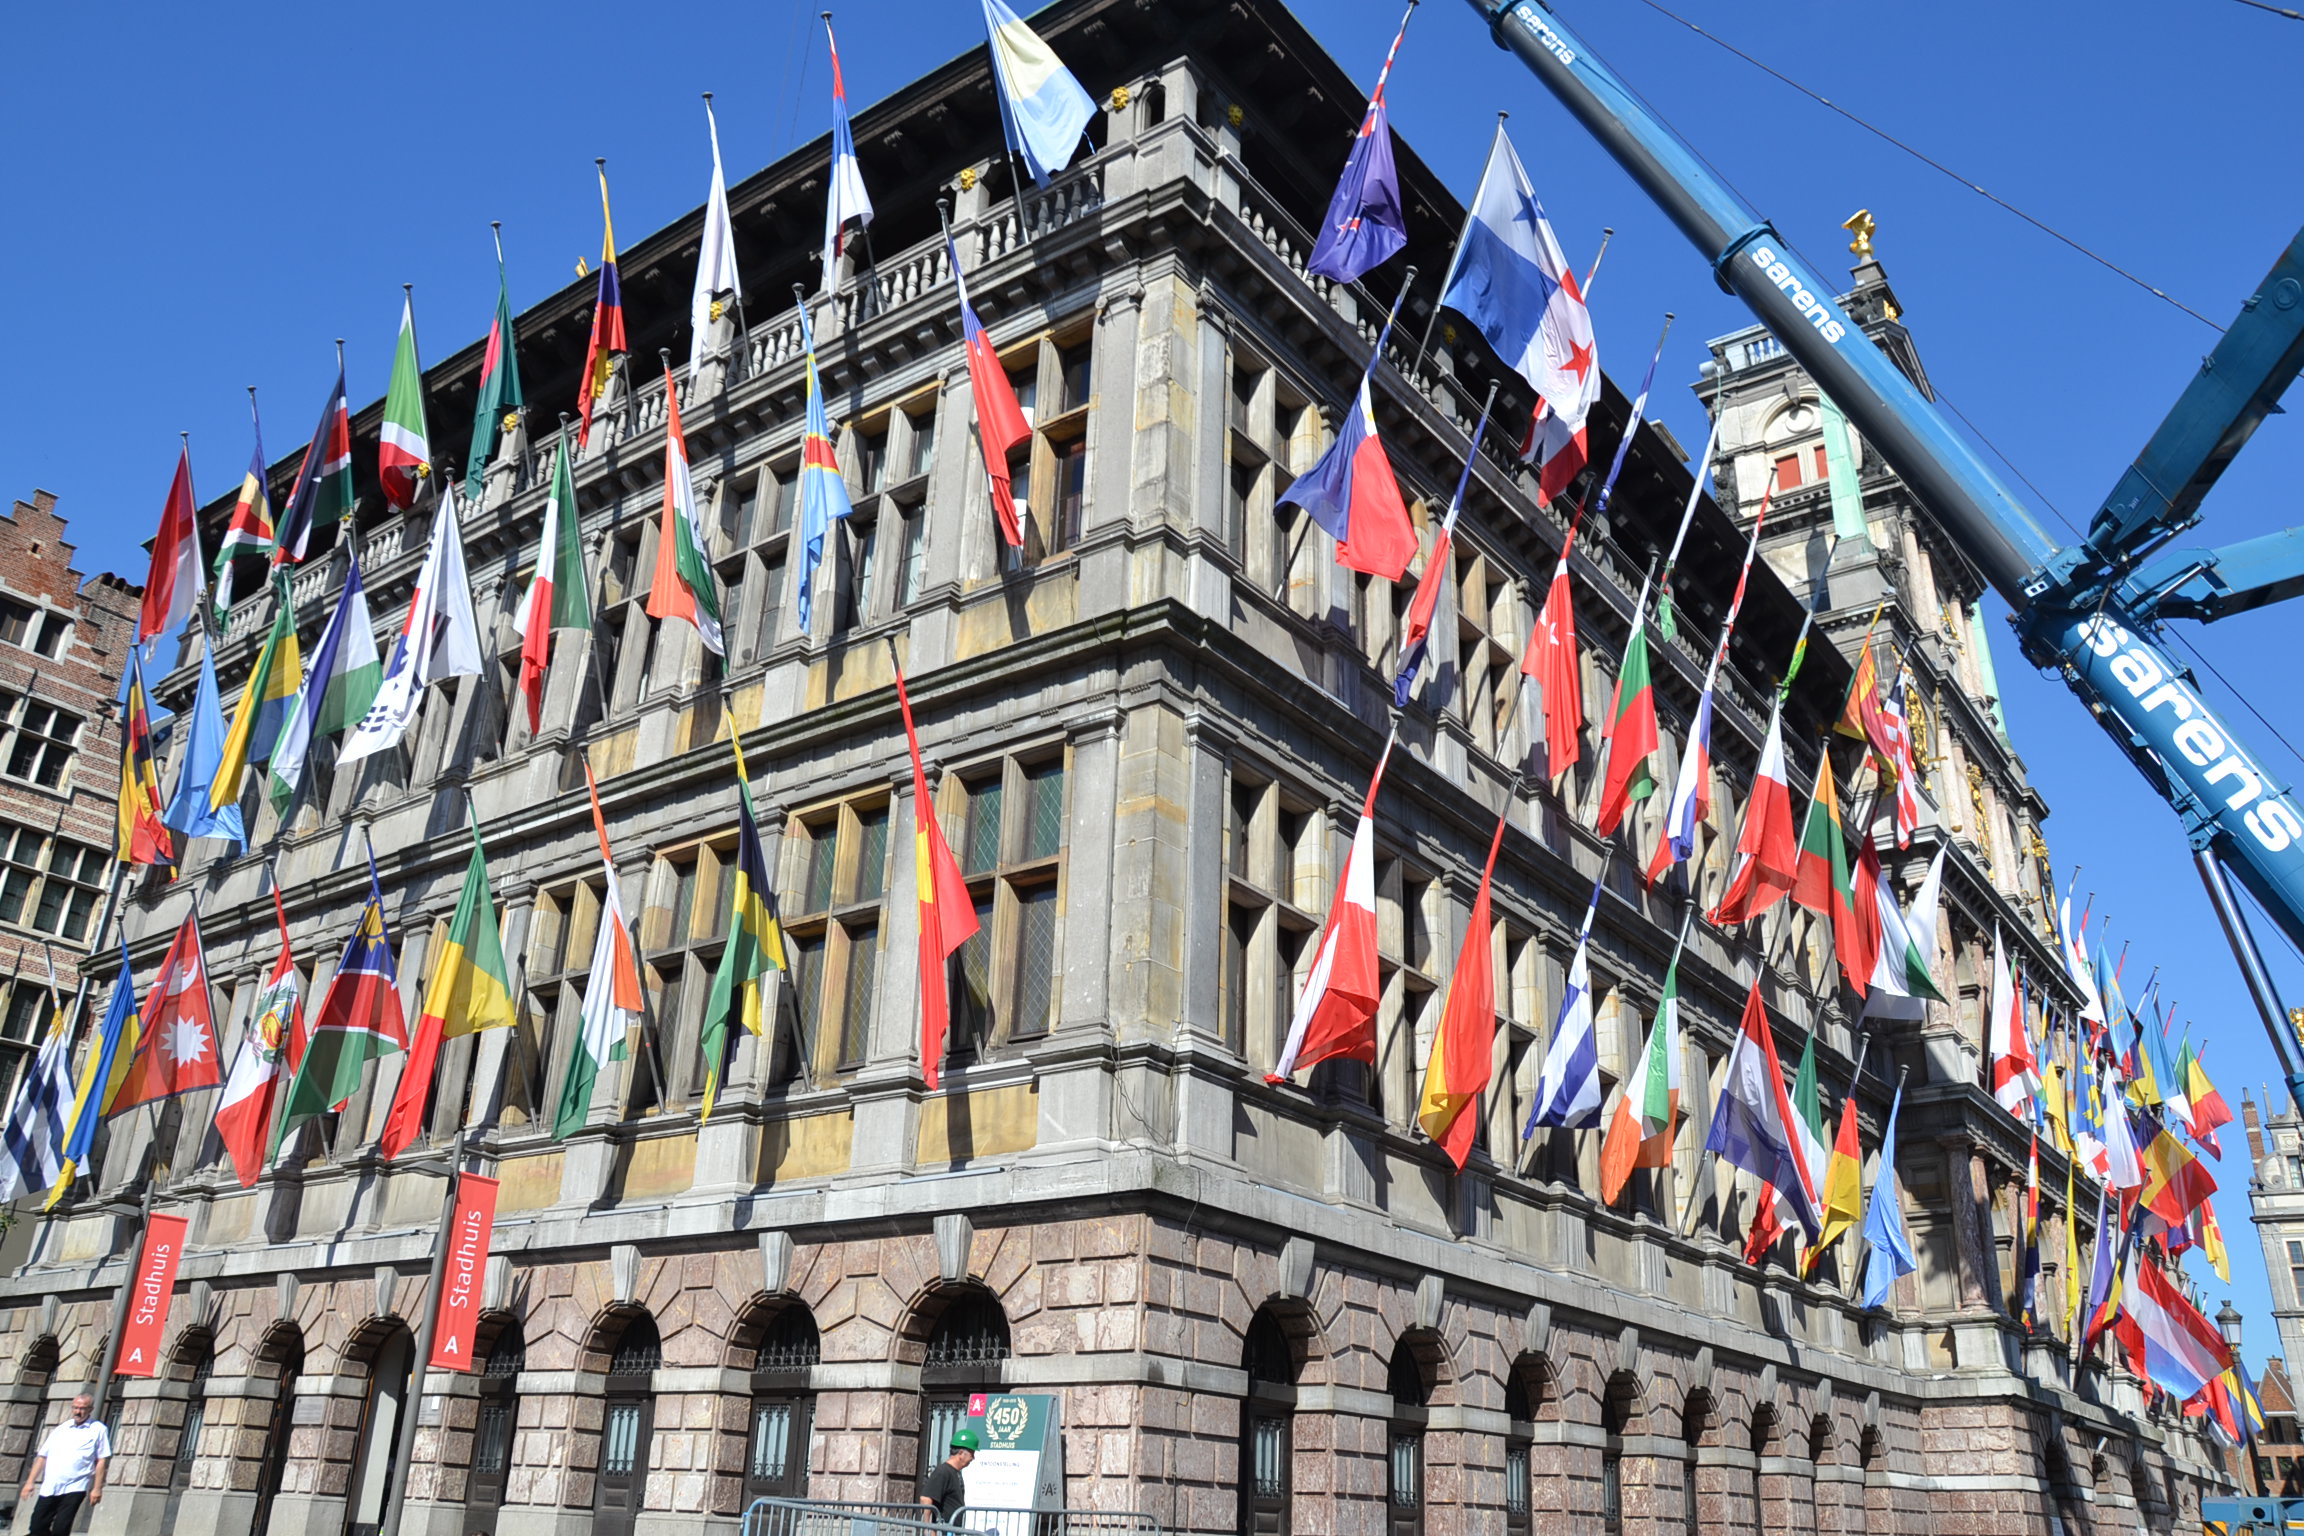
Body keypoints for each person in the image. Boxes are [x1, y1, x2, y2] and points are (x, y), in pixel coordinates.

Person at [19, 1394, 108, 1536]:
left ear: (90, 1409)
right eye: (75, 1408)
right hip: (50, 1486)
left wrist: (97, 1488)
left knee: (61, 1528)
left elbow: (101, 1460)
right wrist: (29, 1482)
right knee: (36, 1527)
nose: (78, 1412)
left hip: (75, 1486)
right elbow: (42, 1456)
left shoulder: (98, 1429)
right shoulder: (62, 1429)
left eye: (82, 1408)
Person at [918, 1426, 977, 1520]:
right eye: (972, 1454)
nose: (973, 1458)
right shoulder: (942, 1472)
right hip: (943, 1527)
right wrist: (928, 1527)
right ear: (961, 1453)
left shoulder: (955, 1473)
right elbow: (925, 1499)